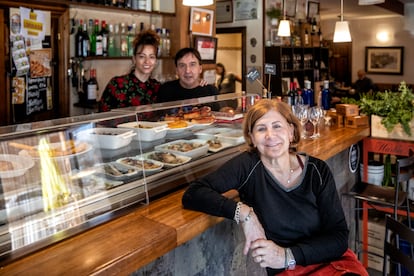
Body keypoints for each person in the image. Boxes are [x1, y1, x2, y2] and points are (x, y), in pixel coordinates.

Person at [182, 99, 368, 275]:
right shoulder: (247, 166)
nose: (270, 136)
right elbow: (193, 193)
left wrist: (286, 256)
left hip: (332, 263)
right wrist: (244, 213)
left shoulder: (316, 170)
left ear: (291, 131)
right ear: (252, 138)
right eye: (261, 129)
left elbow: (339, 237)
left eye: (277, 126)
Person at [98, 30, 160, 112]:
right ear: (134, 59)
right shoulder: (116, 84)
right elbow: (102, 116)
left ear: (155, 61)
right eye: (142, 56)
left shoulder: (157, 87)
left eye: (151, 57)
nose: (147, 61)